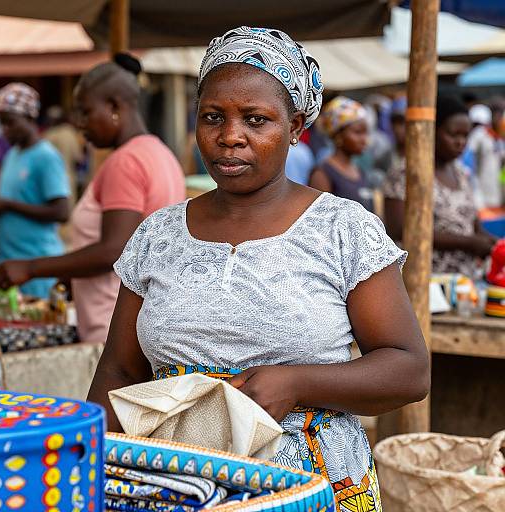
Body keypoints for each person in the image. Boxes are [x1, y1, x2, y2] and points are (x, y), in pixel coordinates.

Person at [88, 27, 429, 509]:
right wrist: (81, 463)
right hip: (171, 481)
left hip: (308, 486)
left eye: (256, 119)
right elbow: (119, 370)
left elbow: (409, 370)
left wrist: (296, 381)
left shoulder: (343, 229)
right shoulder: (157, 235)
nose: (230, 137)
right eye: (213, 118)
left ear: (295, 126)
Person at [0, 54, 185, 343]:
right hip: (146, 319)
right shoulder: (160, 153)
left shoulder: (125, 162)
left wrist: (30, 268)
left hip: (110, 323)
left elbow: (114, 249)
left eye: (85, 112)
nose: (80, 124)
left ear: (114, 107)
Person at [384, 96, 496, 279]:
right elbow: (399, 229)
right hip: (423, 280)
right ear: (433, 131)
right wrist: (468, 243)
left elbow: (471, 223)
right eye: (453, 135)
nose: (460, 142)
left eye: (465, 136)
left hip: (464, 282)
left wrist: (490, 242)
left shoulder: (461, 173)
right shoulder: (406, 173)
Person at [0, 83, 70, 299]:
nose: (5, 130)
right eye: (2, 124)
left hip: (37, 269)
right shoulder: (12, 156)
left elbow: (62, 212)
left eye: (10, 123)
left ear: (29, 118)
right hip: (10, 266)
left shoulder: (45, 156)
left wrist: (8, 205)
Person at [309, 96, 374, 211]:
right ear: (338, 135)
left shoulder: (359, 171)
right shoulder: (322, 175)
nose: (365, 140)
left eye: (366, 133)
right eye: (358, 132)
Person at [44, 105, 83, 205]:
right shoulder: (69, 133)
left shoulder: (47, 135)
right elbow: (78, 158)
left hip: (50, 181)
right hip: (68, 179)